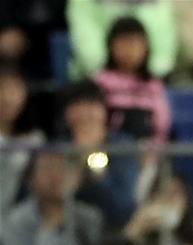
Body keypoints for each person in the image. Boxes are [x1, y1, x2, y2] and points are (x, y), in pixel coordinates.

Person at [59, 79, 140, 228]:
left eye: (91, 105)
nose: (84, 113)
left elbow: (121, 205)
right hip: (68, 226)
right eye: (77, 105)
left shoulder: (122, 145)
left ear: (104, 110)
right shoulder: (59, 146)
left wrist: (91, 161)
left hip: (112, 225)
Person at [92, 17, 171, 144]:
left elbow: (161, 123)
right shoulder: (101, 81)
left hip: (145, 148)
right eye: (123, 44)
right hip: (110, 147)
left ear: (146, 48)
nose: (129, 51)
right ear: (110, 46)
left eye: (134, 44)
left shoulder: (153, 84)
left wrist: (154, 147)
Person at [67, 0, 178, 79]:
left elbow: (164, 46)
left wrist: (147, 75)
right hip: (92, 79)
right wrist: (107, 73)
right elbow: (86, 38)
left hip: (149, 77)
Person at [0, 63, 45, 233]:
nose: (7, 98)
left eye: (14, 89)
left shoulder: (36, 140)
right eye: (1, 89)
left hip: (24, 225)